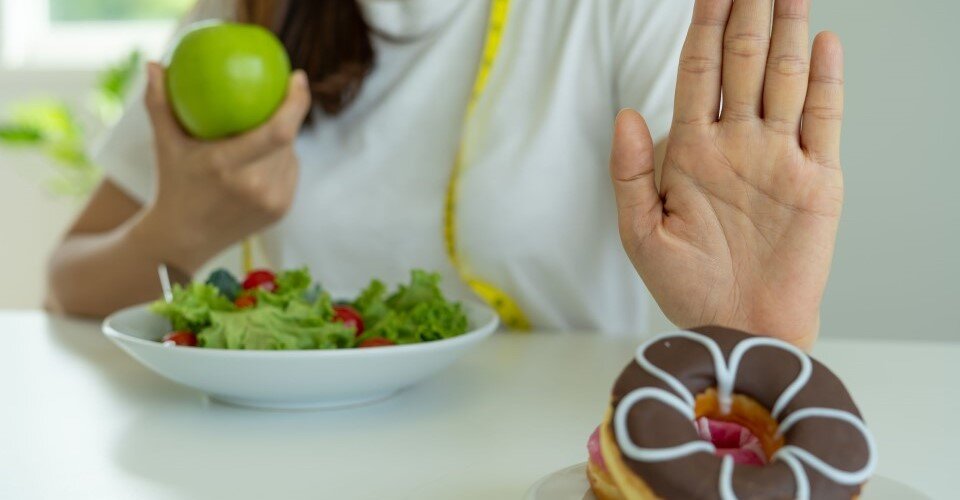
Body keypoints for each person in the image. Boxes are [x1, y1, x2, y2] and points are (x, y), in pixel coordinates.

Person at [47, 0, 844, 349]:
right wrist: (176, 231)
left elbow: (719, 213)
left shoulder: (614, 8)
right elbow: (68, 283)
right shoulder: (249, 14)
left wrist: (755, 329)